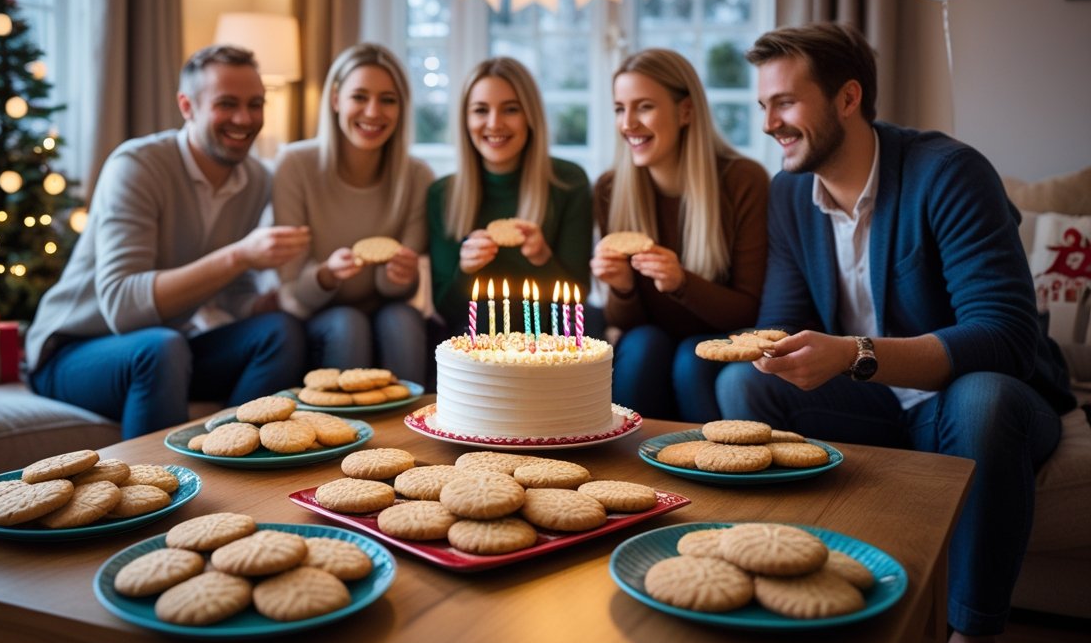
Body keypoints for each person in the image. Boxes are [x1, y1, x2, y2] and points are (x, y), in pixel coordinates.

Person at [713, 22, 1074, 643]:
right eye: (763, 105)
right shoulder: (790, 192)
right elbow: (780, 318)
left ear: (848, 98)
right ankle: (785, 578)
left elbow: (1006, 335)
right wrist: (769, 349)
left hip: (975, 403)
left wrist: (853, 354)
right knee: (744, 385)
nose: (769, 124)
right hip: (874, 407)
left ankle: (972, 635)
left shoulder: (949, 173)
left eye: (785, 103)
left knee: (982, 398)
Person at [25, 45, 310, 439]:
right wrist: (241, 255)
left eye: (255, 104)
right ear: (187, 106)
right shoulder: (137, 166)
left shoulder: (257, 180)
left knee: (280, 331)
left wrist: (275, 299)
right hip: (75, 350)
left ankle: (235, 449)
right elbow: (123, 308)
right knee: (161, 348)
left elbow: (234, 292)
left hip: (169, 348)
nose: (244, 119)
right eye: (227, 104)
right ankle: (158, 477)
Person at [590, 48, 769, 421]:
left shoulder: (743, 181)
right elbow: (628, 324)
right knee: (644, 344)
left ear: (685, 111)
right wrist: (622, 288)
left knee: (692, 357)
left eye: (644, 107)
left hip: (718, 340)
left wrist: (681, 283)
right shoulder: (610, 190)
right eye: (620, 109)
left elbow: (749, 310)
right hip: (650, 345)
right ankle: (623, 453)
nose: (628, 123)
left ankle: (710, 455)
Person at [272, 43, 433, 384]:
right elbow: (292, 290)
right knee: (348, 324)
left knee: (403, 320)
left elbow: (404, 292)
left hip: (388, 311)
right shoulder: (294, 165)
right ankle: (340, 419)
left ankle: (413, 419)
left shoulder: (418, 177)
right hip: (319, 315)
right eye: (359, 97)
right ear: (335, 100)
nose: (373, 112)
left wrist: (399, 276)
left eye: (388, 100)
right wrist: (327, 275)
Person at [427, 57, 594, 338]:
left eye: (511, 109)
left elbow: (577, 303)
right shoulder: (442, 195)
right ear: (465, 120)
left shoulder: (568, 182)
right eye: (481, 110)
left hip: (550, 341)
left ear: (530, 116)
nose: (494, 123)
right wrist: (465, 270)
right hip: (476, 344)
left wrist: (543, 258)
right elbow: (448, 311)